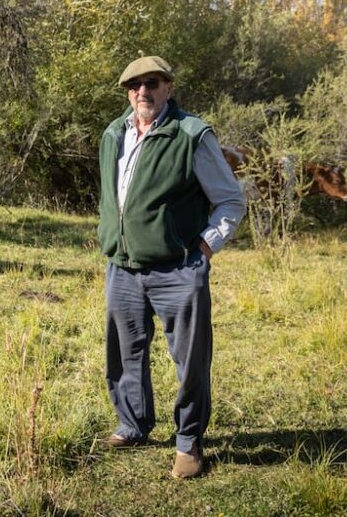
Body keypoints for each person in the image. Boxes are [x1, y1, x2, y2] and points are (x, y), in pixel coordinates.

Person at [97, 55, 246, 479]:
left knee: (190, 359)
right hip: (123, 266)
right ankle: (133, 424)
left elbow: (230, 201)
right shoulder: (113, 134)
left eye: (152, 83)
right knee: (124, 353)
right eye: (135, 85)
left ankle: (188, 442)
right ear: (128, 92)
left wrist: (204, 249)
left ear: (168, 88)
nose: (143, 91)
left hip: (178, 268)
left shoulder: (191, 134)